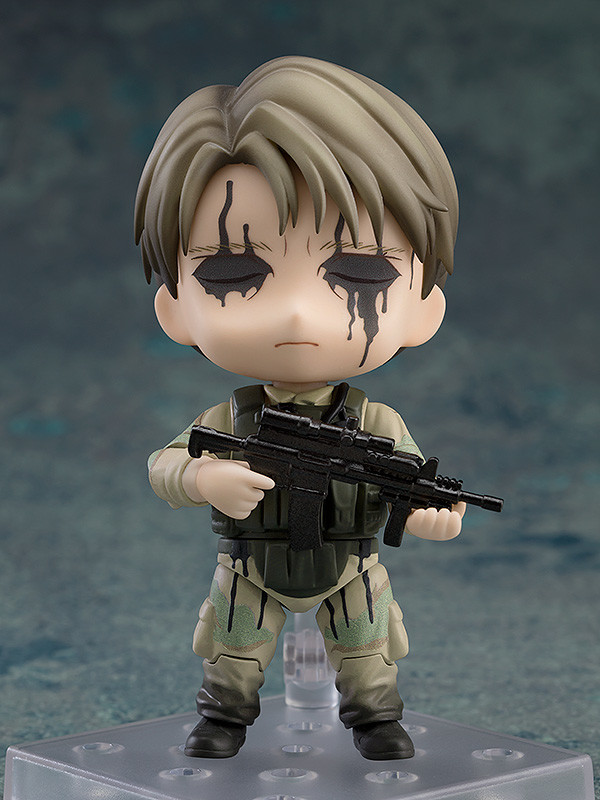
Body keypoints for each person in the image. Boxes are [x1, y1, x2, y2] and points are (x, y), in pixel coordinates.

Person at [135, 56, 464, 761]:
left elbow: (408, 480)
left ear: (423, 309)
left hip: (349, 564)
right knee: (234, 648)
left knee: (366, 644)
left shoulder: (374, 425)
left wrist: (425, 513)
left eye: (359, 272)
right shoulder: (231, 420)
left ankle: (376, 721)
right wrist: (203, 477)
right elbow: (165, 465)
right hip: (250, 565)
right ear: (174, 309)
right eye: (234, 273)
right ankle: (223, 720)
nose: (295, 312)